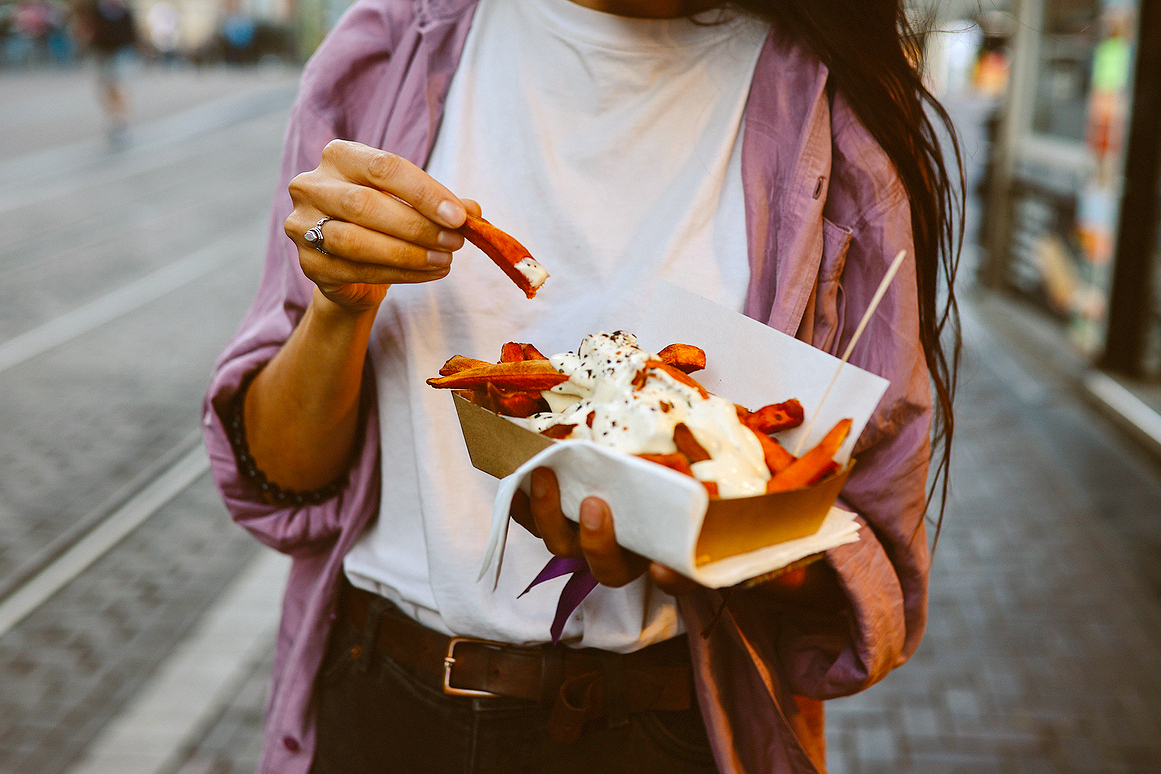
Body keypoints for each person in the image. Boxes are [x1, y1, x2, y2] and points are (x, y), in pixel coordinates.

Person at [202, 0, 962, 772]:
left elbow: (868, 553)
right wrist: (340, 310)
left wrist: (712, 537)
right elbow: (280, 477)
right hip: (379, 701)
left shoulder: (834, 111)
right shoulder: (388, 52)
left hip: (665, 729)